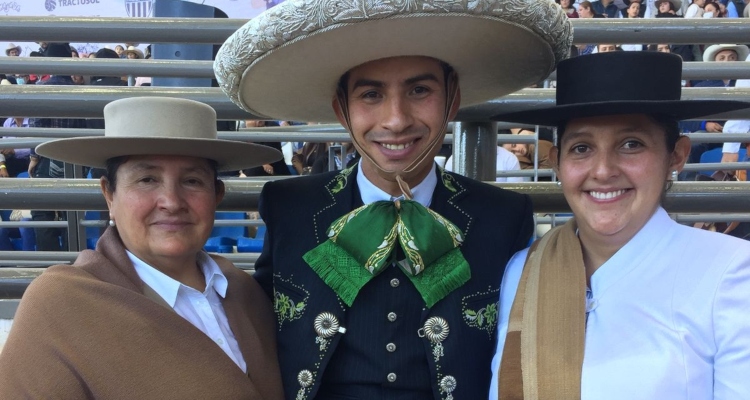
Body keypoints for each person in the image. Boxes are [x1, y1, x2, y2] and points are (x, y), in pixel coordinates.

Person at [213, 0, 572, 398]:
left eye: (419, 90)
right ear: (341, 108)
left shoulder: (502, 215)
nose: (396, 119)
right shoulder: (290, 206)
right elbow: (260, 327)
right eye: (371, 94)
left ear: (452, 99)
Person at [489, 51, 750, 399]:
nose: (603, 170)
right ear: (556, 162)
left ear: (677, 155)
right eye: (581, 148)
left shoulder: (731, 273)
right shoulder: (522, 270)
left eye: (631, 144)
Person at [0, 97, 285, 399]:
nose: (172, 202)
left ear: (217, 195)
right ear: (109, 194)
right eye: (147, 179)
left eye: (192, 181)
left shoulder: (243, 291)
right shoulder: (60, 306)